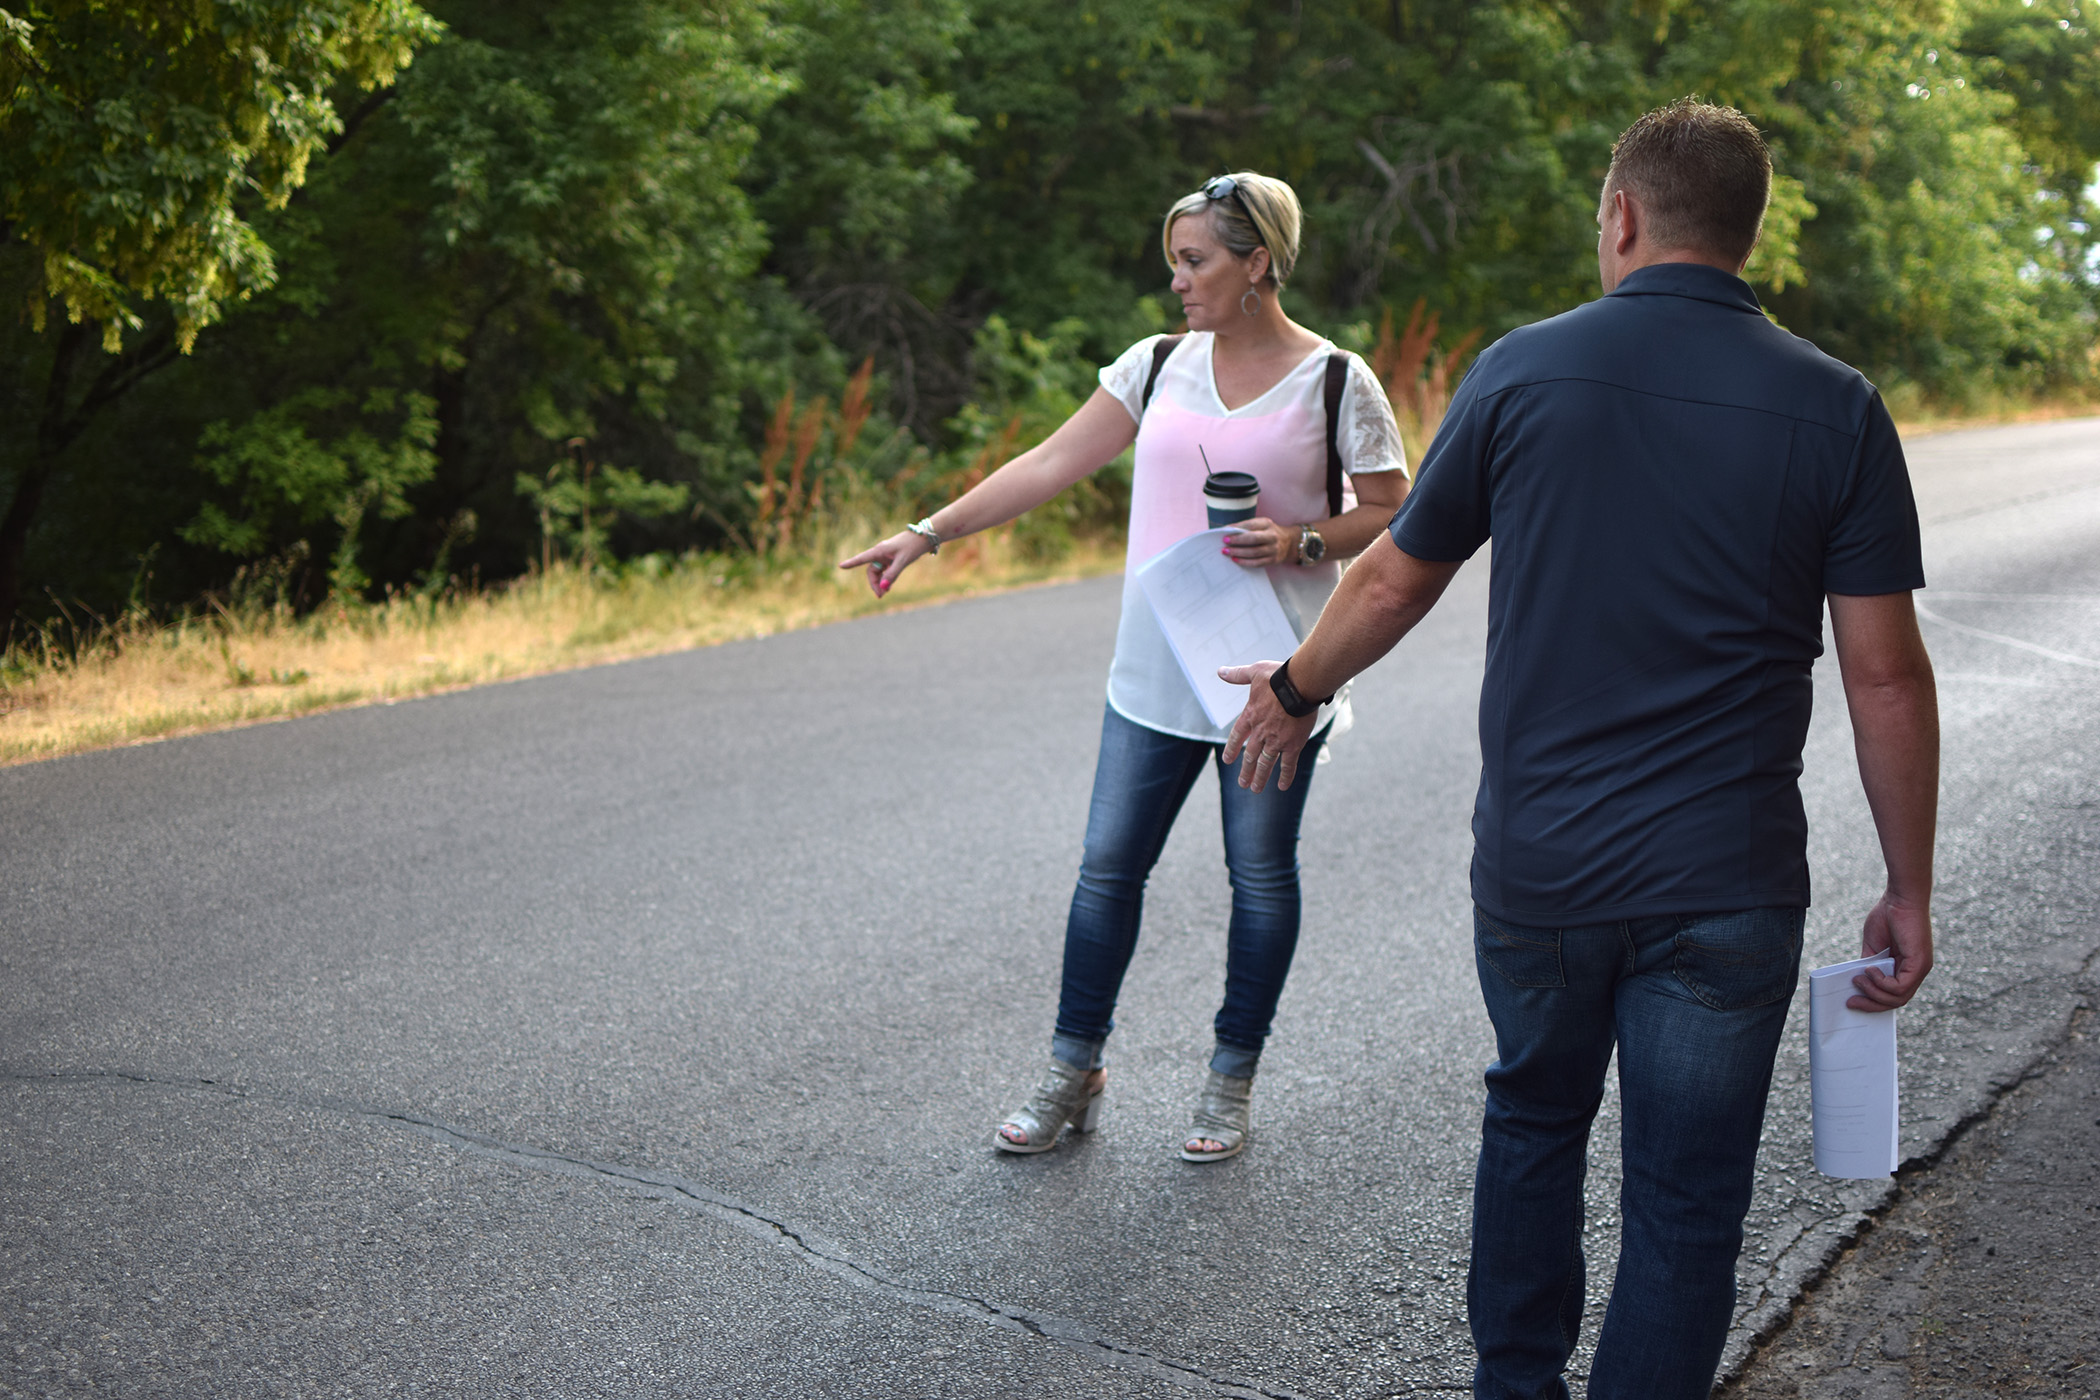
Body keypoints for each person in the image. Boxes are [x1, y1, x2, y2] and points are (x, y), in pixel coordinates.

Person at [1222, 101, 1938, 1397]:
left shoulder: (1522, 370)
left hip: (1545, 868)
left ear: (1621, 215)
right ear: (1747, 230)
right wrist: (1908, 884)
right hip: (1729, 880)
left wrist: (1290, 685)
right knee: (1686, 1197)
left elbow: (1389, 582)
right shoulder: (1838, 408)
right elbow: (1886, 675)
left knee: (1535, 1123)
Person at [841, 172, 1410, 1162]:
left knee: (1260, 877)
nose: (1179, 282)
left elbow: (1391, 505)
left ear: (1256, 262)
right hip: (1150, 677)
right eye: (1174, 263)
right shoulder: (1155, 366)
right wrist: (927, 530)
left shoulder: (1335, 379)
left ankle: (1229, 1080)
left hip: (1268, 683)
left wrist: (1304, 542)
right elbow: (1049, 464)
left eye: (1195, 261)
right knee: (1107, 872)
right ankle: (1074, 1069)